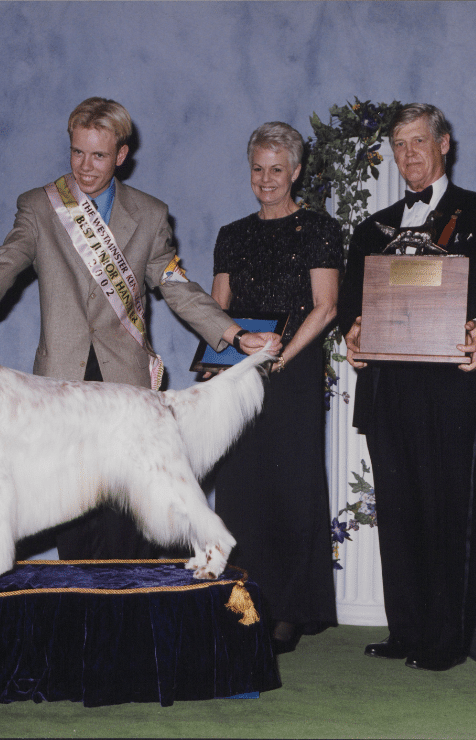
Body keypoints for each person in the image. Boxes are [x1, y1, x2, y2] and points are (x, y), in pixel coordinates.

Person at [0, 97, 280, 561]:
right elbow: (3, 266)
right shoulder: (41, 207)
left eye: (99, 155)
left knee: (131, 534)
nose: (85, 168)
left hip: (125, 385)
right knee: (74, 528)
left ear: (121, 156)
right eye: (77, 153)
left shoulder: (149, 214)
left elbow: (176, 285)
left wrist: (232, 334)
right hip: (60, 388)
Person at [338, 103, 476, 671]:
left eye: (418, 142)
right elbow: (352, 303)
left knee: (447, 513)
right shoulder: (370, 228)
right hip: (388, 390)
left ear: (444, 144)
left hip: (454, 386)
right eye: (399, 146)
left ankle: (445, 642)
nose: (408, 156)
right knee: (398, 512)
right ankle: (406, 631)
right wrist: (351, 330)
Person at [210, 122, 340, 653]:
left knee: (290, 492)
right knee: (239, 491)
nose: (266, 179)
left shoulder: (318, 228)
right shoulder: (232, 234)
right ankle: (243, 604)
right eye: (258, 169)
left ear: (297, 171)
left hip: (293, 372)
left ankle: (287, 611)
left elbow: (326, 305)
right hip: (240, 376)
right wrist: (216, 358)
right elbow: (216, 310)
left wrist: (282, 355)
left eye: (277, 169)